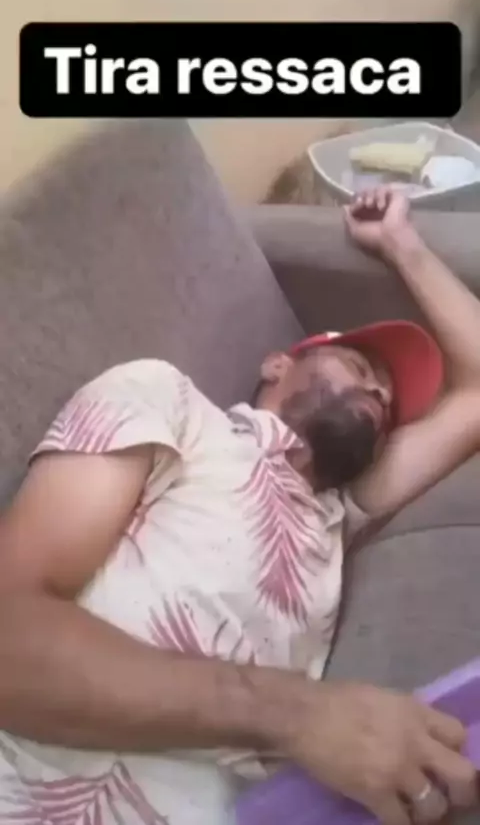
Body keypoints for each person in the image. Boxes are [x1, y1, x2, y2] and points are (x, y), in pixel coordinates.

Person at [0, 187, 479, 825]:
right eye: (359, 364)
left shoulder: (335, 513)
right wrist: (299, 714)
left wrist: (402, 242)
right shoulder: (170, 406)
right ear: (278, 364)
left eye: (387, 400)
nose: (380, 391)